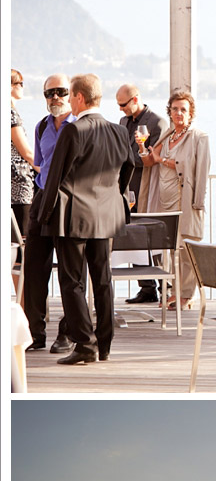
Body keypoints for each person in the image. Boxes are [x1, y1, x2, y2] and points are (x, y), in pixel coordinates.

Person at [37, 73, 133, 365]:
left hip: (72, 217)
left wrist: (44, 215)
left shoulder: (74, 131)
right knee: (103, 280)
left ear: (78, 97)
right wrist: (115, 198)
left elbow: (56, 177)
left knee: (72, 281)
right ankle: (104, 344)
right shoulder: (119, 132)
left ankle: (84, 344)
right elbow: (128, 168)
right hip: (105, 216)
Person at [137, 89, 211, 309]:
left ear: (191, 113)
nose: (179, 113)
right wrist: (142, 147)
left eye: (183, 110)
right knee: (168, 250)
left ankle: (187, 294)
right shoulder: (168, 135)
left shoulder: (199, 137)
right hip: (163, 200)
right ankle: (173, 291)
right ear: (169, 111)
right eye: (175, 109)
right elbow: (150, 161)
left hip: (185, 199)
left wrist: (164, 160)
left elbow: (198, 169)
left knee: (186, 249)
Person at [23, 74, 76, 353]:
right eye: (49, 93)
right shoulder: (41, 126)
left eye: (60, 91)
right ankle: (35, 334)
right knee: (34, 270)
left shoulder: (79, 126)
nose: (54, 97)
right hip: (42, 200)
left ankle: (66, 334)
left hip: (68, 204)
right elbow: (39, 166)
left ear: (71, 94)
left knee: (70, 273)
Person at [116, 83, 168, 304]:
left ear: (136, 99)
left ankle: (166, 286)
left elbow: (154, 157)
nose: (120, 109)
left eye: (123, 104)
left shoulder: (157, 122)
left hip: (147, 185)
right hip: (126, 187)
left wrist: (127, 159)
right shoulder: (123, 121)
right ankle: (146, 287)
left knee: (153, 237)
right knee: (134, 235)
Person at [10, 68, 36, 249]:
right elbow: (26, 152)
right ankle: (21, 279)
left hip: (14, 184)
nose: (22, 87)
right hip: (18, 184)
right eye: (19, 83)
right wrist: (47, 170)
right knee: (21, 245)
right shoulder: (10, 114)